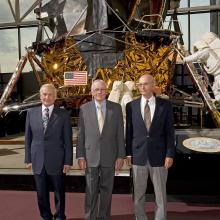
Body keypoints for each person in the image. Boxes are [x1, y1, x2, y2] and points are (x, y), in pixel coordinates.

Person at [126, 74, 175, 220]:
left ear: (153, 85)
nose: (142, 87)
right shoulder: (131, 106)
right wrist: (128, 154)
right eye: (140, 84)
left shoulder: (165, 105)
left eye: (145, 84)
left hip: (159, 157)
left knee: (160, 195)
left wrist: (169, 154)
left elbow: (169, 132)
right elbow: (128, 132)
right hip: (138, 156)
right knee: (138, 195)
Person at [77, 79, 125, 220]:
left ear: (107, 91)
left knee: (107, 190)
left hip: (110, 156)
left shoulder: (115, 108)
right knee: (90, 190)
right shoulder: (84, 109)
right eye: (96, 89)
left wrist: (120, 156)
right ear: (92, 92)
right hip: (90, 156)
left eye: (102, 89)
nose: (99, 92)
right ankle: (90, 217)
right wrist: (80, 156)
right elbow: (81, 134)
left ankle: (104, 217)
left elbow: (120, 134)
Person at [25, 83, 73, 220]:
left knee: (59, 192)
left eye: (50, 94)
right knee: (41, 193)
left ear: (55, 96)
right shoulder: (31, 113)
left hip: (57, 161)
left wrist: (68, 161)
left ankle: (59, 216)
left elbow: (67, 140)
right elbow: (28, 138)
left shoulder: (63, 114)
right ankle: (45, 216)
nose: (47, 97)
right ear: (40, 96)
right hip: (37, 160)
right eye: (44, 94)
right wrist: (28, 159)